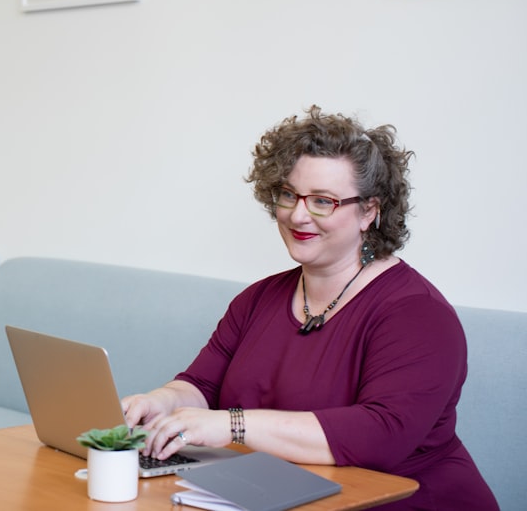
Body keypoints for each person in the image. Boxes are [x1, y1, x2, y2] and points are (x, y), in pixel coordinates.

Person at [122, 106, 498, 510]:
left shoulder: (418, 314)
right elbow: (202, 385)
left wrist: (231, 425)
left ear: (369, 211)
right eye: (289, 194)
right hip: (287, 496)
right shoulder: (257, 299)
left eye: (323, 201)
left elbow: (382, 434)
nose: (298, 215)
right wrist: (161, 401)